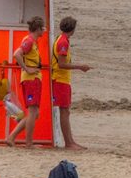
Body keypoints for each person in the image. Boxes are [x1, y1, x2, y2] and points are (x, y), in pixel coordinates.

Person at [52, 16, 92, 150]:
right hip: (60, 79)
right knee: (64, 111)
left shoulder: (61, 39)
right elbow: (62, 64)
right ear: (73, 29)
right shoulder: (63, 42)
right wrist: (80, 67)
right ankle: (69, 143)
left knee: (66, 111)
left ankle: (71, 141)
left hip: (61, 79)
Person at [6, 16, 45, 148]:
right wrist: (26, 68)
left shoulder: (32, 41)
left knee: (34, 113)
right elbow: (17, 54)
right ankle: (28, 143)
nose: (44, 30)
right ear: (38, 29)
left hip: (33, 79)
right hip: (31, 80)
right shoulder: (28, 41)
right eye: (43, 28)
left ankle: (12, 137)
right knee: (33, 112)